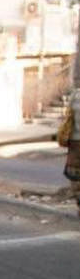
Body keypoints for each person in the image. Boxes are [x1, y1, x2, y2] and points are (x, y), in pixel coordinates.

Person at [62, 84, 80, 215]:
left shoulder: (75, 95)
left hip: (74, 142)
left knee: (74, 175)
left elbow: (68, 117)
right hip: (75, 143)